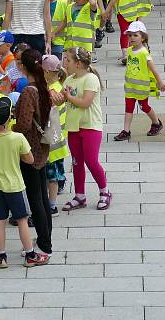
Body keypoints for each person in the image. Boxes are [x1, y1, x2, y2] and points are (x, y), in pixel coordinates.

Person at [0, 97, 50, 269]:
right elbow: (30, 159)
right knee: (22, 220)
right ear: (10, 118)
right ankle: (30, 254)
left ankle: (2, 256)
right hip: (15, 186)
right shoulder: (17, 138)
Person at [12, 48, 54, 255]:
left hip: (30, 149)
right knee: (43, 197)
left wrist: (10, 128)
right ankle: (46, 237)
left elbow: (24, 124)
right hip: (42, 147)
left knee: (35, 197)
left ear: (23, 66)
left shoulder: (29, 90)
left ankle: (45, 244)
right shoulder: (42, 85)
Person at [61, 46, 111, 211]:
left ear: (78, 63)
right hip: (74, 127)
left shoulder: (90, 79)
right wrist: (56, 97)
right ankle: (80, 195)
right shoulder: (69, 80)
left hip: (90, 126)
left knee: (91, 161)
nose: (64, 63)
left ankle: (105, 191)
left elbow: (85, 102)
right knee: (76, 162)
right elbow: (62, 100)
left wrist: (68, 96)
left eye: (67, 60)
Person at [113, 21, 165, 142]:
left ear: (143, 38)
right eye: (130, 35)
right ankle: (126, 131)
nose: (132, 38)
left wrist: (160, 82)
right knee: (129, 108)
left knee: (144, 107)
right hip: (130, 87)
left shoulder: (144, 53)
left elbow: (154, 70)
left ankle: (156, 123)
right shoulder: (130, 51)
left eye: (135, 35)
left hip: (141, 88)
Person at [42, 55, 69, 216]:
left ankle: (51, 206)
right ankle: (50, 204)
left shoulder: (53, 92)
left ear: (46, 71)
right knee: (54, 174)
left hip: (51, 141)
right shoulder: (59, 86)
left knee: (51, 176)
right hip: (58, 140)